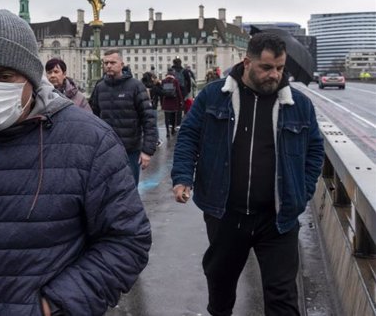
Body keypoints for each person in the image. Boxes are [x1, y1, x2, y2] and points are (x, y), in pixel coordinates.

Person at [0, 10, 151, 316]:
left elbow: (127, 240)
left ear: (31, 78)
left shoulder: (90, 141)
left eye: (4, 76)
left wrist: (54, 306)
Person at [171, 32, 324, 316]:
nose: (274, 75)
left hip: (278, 218)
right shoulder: (214, 96)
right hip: (227, 213)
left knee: (283, 297)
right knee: (221, 289)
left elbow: (315, 150)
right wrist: (182, 177)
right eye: (266, 67)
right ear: (247, 62)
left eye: (279, 68)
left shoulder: (299, 105)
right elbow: (189, 136)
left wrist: (302, 192)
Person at [89, 49, 159, 186]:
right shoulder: (100, 87)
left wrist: (147, 151)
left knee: (129, 189)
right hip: (106, 151)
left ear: (122, 64)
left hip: (130, 150)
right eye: (106, 62)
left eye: (112, 62)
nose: (108, 65)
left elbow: (149, 119)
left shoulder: (135, 86)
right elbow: (93, 119)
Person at [160, 68, 183, 138]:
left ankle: (167, 132)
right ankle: (173, 130)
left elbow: (162, 92)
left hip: (166, 102)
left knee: (166, 118)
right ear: (173, 74)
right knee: (173, 117)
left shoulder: (163, 81)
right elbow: (178, 91)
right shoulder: (175, 81)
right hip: (174, 101)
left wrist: (162, 103)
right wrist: (181, 100)